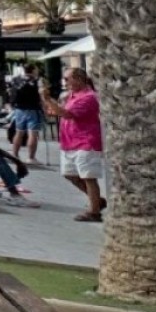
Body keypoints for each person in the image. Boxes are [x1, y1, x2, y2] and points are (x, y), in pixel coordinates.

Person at [44, 66, 107, 222]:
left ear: (79, 79)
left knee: (88, 176)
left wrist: (47, 100)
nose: (65, 82)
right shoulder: (72, 96)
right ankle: (97, 201)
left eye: (67, 79)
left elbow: (67, 114)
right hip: (69, 142)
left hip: (85, 141)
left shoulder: (89, 97)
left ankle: (94, 211)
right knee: (70, 174)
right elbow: (58, 112)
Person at [9, 64, 46, 168]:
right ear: (33, 69)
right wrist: (45, 108)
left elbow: (11, 93)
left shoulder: (16, 79)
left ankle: (15, 154)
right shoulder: (37, 80)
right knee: (32, 134)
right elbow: (42, 95)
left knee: (19, 132)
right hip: (33, 109)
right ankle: (31, 157)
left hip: (19, 109)